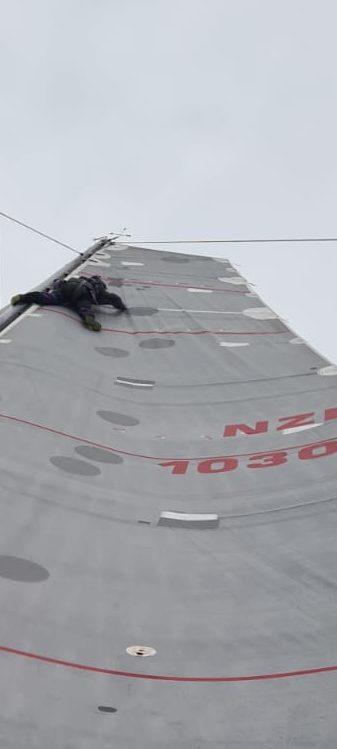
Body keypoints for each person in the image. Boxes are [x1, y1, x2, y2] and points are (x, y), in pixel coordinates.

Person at [11, 274, 129, 332]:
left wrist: (56, 283)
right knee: (84, 306)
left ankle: (22, 297)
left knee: (47, 297)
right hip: (84, 294)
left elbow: (58, 282)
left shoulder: (79, 279)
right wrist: (122, 307)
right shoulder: (99, 290)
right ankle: (88, 319)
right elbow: (114, 298)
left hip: (66, 289)